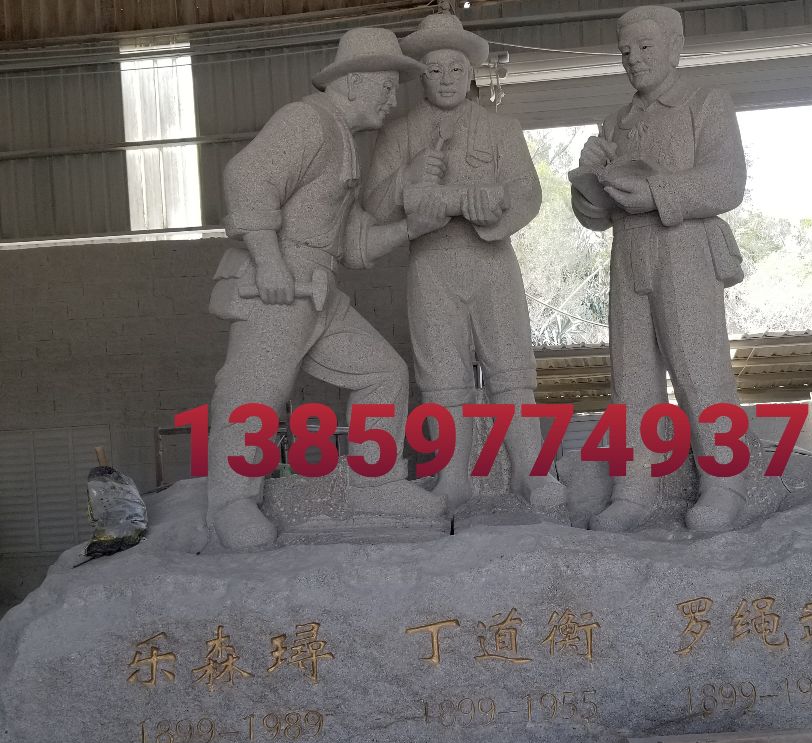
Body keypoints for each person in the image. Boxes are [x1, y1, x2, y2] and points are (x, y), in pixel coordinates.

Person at [207, 27, 449, 551]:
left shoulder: (341, 139)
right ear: (354, 82)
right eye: (386, 86)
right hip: (279, 284)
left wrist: (411, 228)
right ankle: (231, 503)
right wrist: (269, 261)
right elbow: (246, 176)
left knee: (383, 373)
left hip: (319, 288)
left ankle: (375, 485)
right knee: (255, 391)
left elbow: (352, 241)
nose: (391, 99)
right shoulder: (306, 121)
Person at [364, 12, 566, 514]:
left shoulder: (500, 128)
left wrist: (494, 210)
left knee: (511, 371)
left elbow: (527, 192)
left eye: (456, 69)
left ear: (471, 72)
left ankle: (530, 471)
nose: (447, 79)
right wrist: (409, 176)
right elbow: (375, 206)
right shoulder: (400, 132)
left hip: (490, 261)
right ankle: (451, 476)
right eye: (434, 70)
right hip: (431, 265)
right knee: (441, 377)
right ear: (421, 76)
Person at [571, 5, 748, 534]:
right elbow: (596, 216)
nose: (633, 59)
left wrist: (655, 191)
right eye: (625, 51)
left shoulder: (705, 103)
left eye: (645, 47)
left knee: (700, 368)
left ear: (675, 47)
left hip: (685, 249)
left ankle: (726, 483)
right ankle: (635, 488)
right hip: (628, 254)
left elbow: (727, 181)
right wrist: (588, 177)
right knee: (631, 378)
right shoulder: (615, 123)